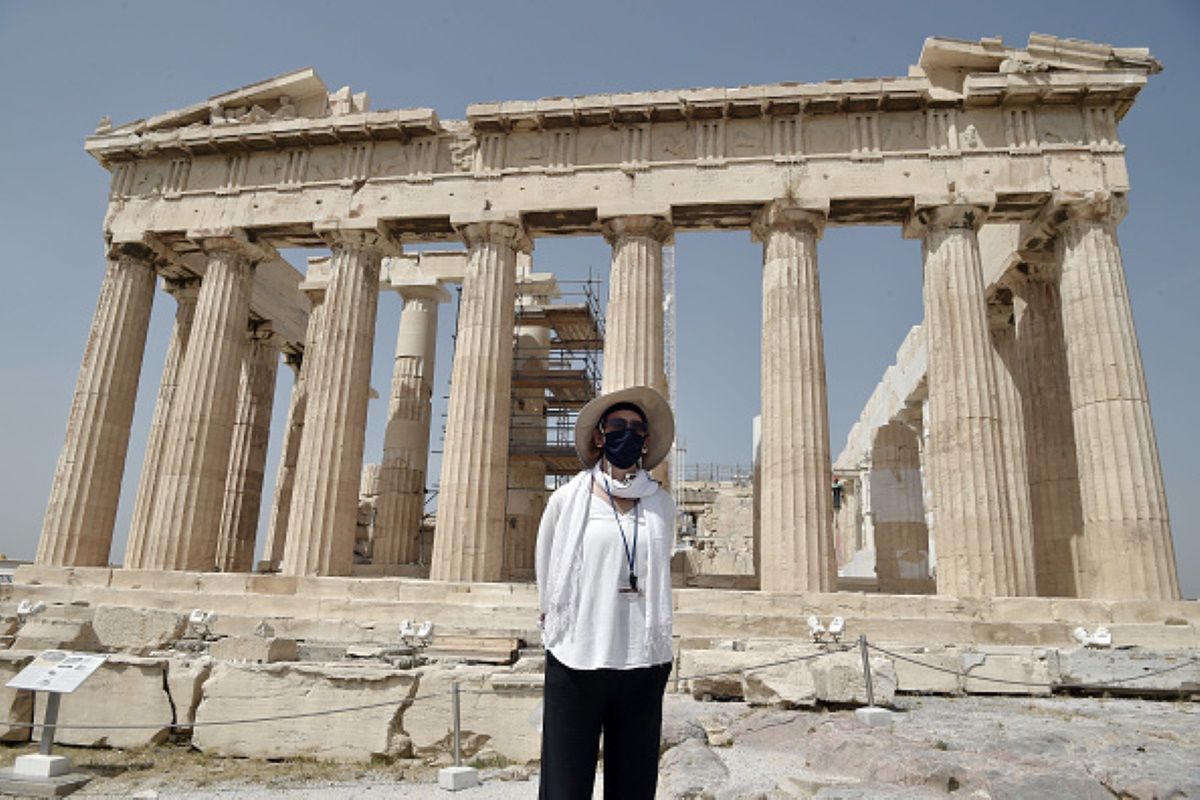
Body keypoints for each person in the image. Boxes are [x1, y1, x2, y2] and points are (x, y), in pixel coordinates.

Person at [535, 385, 677, 799]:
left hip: (642, 658)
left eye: (637, 427)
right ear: (599, 434)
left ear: (646, 440)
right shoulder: (567, 499)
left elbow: (659, 566)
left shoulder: (660, 504)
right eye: (618, 425)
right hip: (577, 655)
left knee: (634, 785)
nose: (627, 433)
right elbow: (547, 565)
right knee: (565, 784)